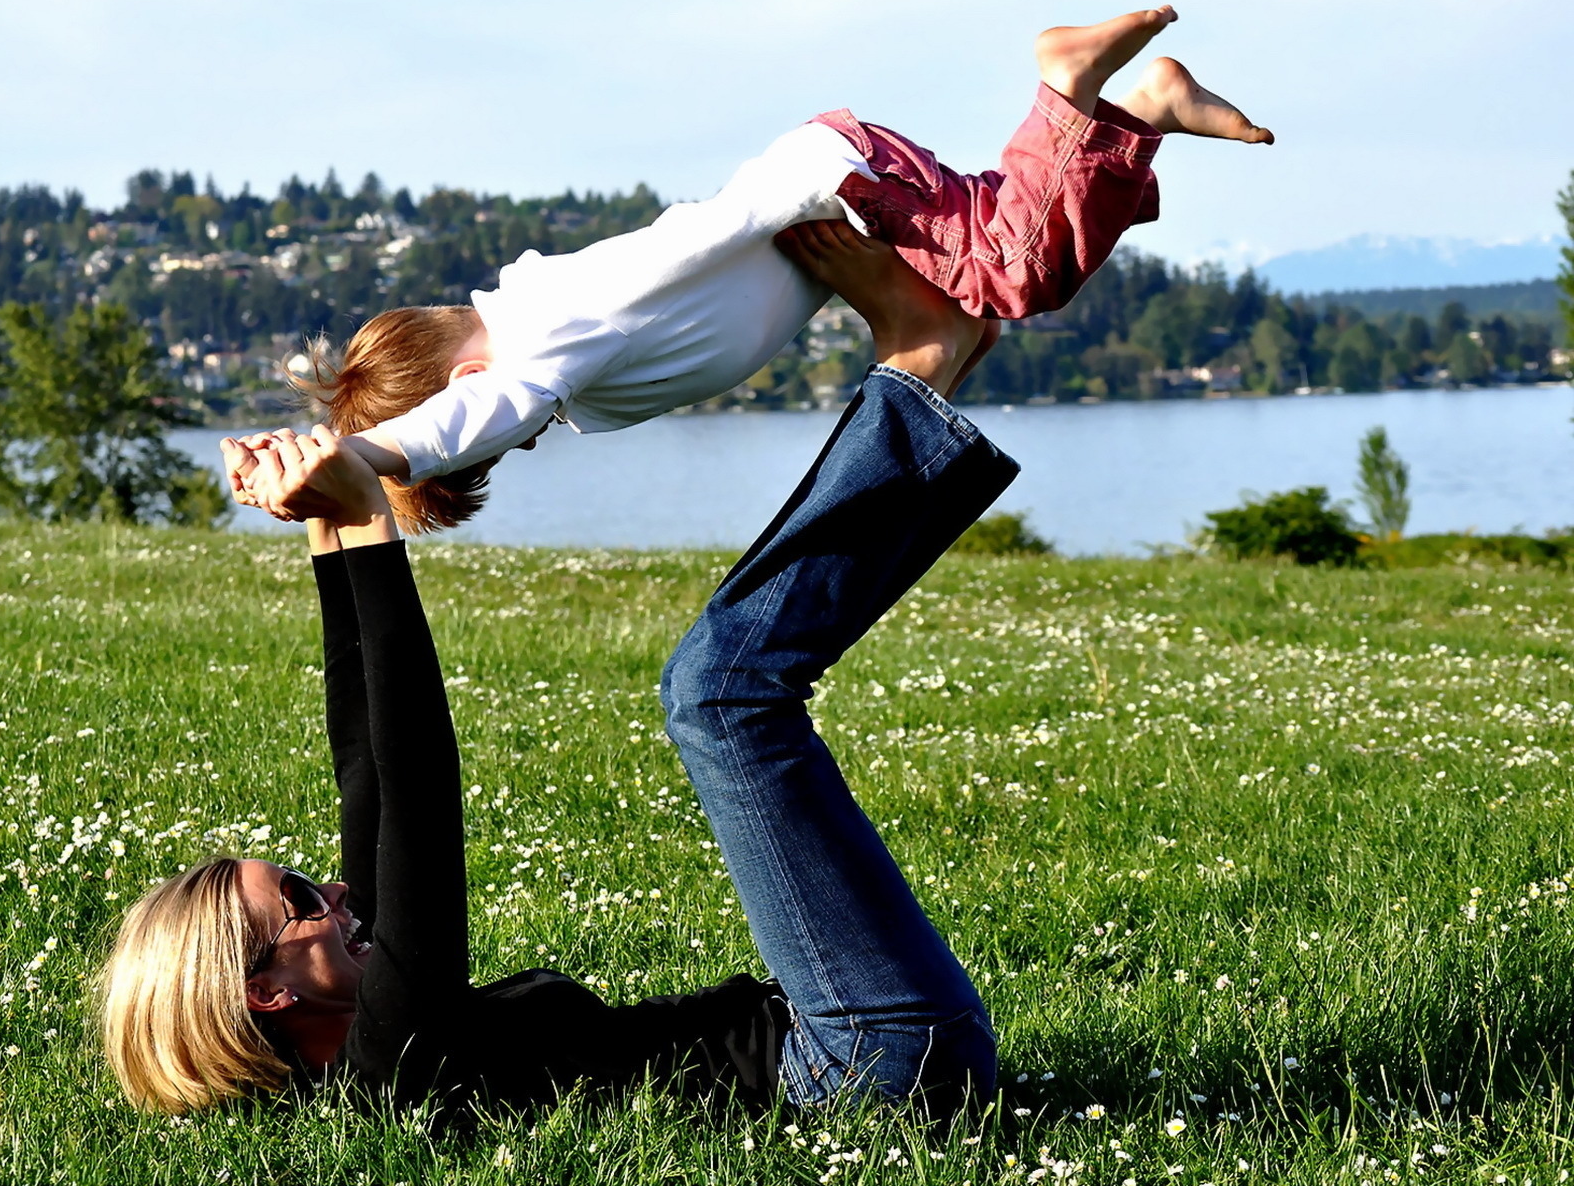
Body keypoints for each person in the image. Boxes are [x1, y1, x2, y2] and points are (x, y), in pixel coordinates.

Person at [99, 225, 1028, 1115]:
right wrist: (374, 527)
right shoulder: (393, 1068)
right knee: (720, 696)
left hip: (854, 1039)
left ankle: (924, 371)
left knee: (723, 692)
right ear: (264, 993)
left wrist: (326, 523)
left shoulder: (371, 1012)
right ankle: (917, 368)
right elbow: (421, 798)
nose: (336, 890)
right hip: (867, 1060)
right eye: (302, 902)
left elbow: (371, 774)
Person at [222, 5, 1270, 532]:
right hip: (830, 176)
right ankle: (1130, 127)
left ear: (467, 390)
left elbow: (468, 416)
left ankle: (1080, 86)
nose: (521, 437)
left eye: (503, 443)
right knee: (997, 269)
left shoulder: (543, 346)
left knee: (1010, 276)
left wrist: (372, 461)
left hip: (831, 182)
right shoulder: (549, 312)